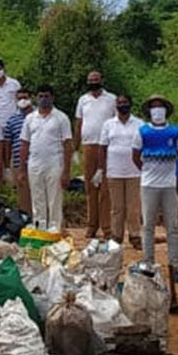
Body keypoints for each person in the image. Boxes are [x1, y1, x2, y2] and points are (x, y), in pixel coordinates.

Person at [135, 95, 178, 277]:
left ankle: (174, 265)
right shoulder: (142, 131)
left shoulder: (176, 132)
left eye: (160, 106)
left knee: (172, 226)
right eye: (153, 107)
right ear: (149, 111)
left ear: (166, 110)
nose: (157, 110)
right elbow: (135, 155)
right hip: (149, 184)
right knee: (148, 225)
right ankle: (148, 263)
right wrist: (147, 170)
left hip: (170, 184)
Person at [19, 84, 72, 232]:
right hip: (34, 163)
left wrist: (67, 171)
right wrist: (22, 169)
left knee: (54, 199)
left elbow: (67, 145)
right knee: (37, 199)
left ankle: (55, 230)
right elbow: (24, 144)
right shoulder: (30, 118)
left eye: (47, 96)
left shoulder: (61, 118)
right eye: (40, 96)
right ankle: (40, 230)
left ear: (53, 97)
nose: (43, 99)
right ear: (36, 98)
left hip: (54, 163)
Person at [74, 70, 118, 239]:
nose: (93, 82)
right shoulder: (83, 100)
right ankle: (91, 225)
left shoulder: (111, 99)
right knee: (90, 186)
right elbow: (79, 123)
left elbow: (116, 121)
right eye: (90, 80)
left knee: (105, 188)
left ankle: (107, 227)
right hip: (88, 146)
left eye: (96, 79)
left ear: (101, 80)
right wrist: (75, 148)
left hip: (106, 146)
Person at [96, 94, 141, 246]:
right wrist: (100, 169)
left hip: (134, 171)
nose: (122, 105)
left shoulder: (139, 124)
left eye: (125, 102)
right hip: (114, 171)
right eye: (119, 103)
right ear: (116, 105)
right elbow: (102, 148)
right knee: (116, 207)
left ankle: (135, 235)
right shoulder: (108, 124)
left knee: (133, 207)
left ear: (130, 104)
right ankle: (116, 236)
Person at [4, 89, 32, 213]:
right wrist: (7, 165)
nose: (22, 100)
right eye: (19, 98)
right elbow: (8, 144)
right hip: (18, 163)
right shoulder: (12, 120)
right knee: (23, 195)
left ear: (31, 98)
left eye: (25, 97)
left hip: (37, 161)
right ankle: (26, 218)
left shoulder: (39, 116)